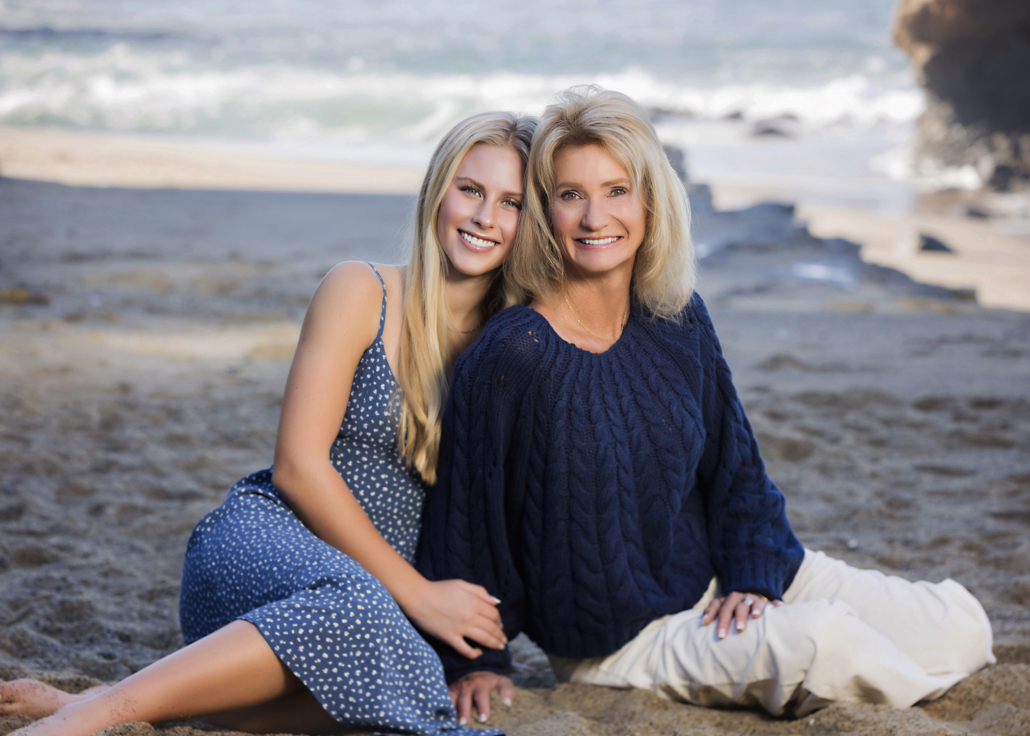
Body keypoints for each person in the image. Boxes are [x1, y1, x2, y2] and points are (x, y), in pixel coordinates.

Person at [417, 86, 995, 726]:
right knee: (826, 641)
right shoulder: (512, 354)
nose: (594, 217)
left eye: (616, 190)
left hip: (728, 577)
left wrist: (752, 576)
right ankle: (866, 669)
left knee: (960, 626)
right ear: (545, 211)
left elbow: (736, 468)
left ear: (650, 201)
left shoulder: (677, 319)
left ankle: (878, 666)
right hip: (619, 643)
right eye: (570, 194)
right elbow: (469, 524)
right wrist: (475, 661)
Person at [0, 110, 536, 736]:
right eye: (470, 189)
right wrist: (416, 593)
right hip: (269, 548)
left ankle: (107, 697)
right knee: (362, 609)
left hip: (367, 611)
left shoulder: (514, 347)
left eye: (511, 203)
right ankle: (90, 718)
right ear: (437, 190)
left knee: (412, 686)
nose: (483, 217)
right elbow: (298, 467)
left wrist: (484, 654)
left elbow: (509, 514)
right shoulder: (362, 290)